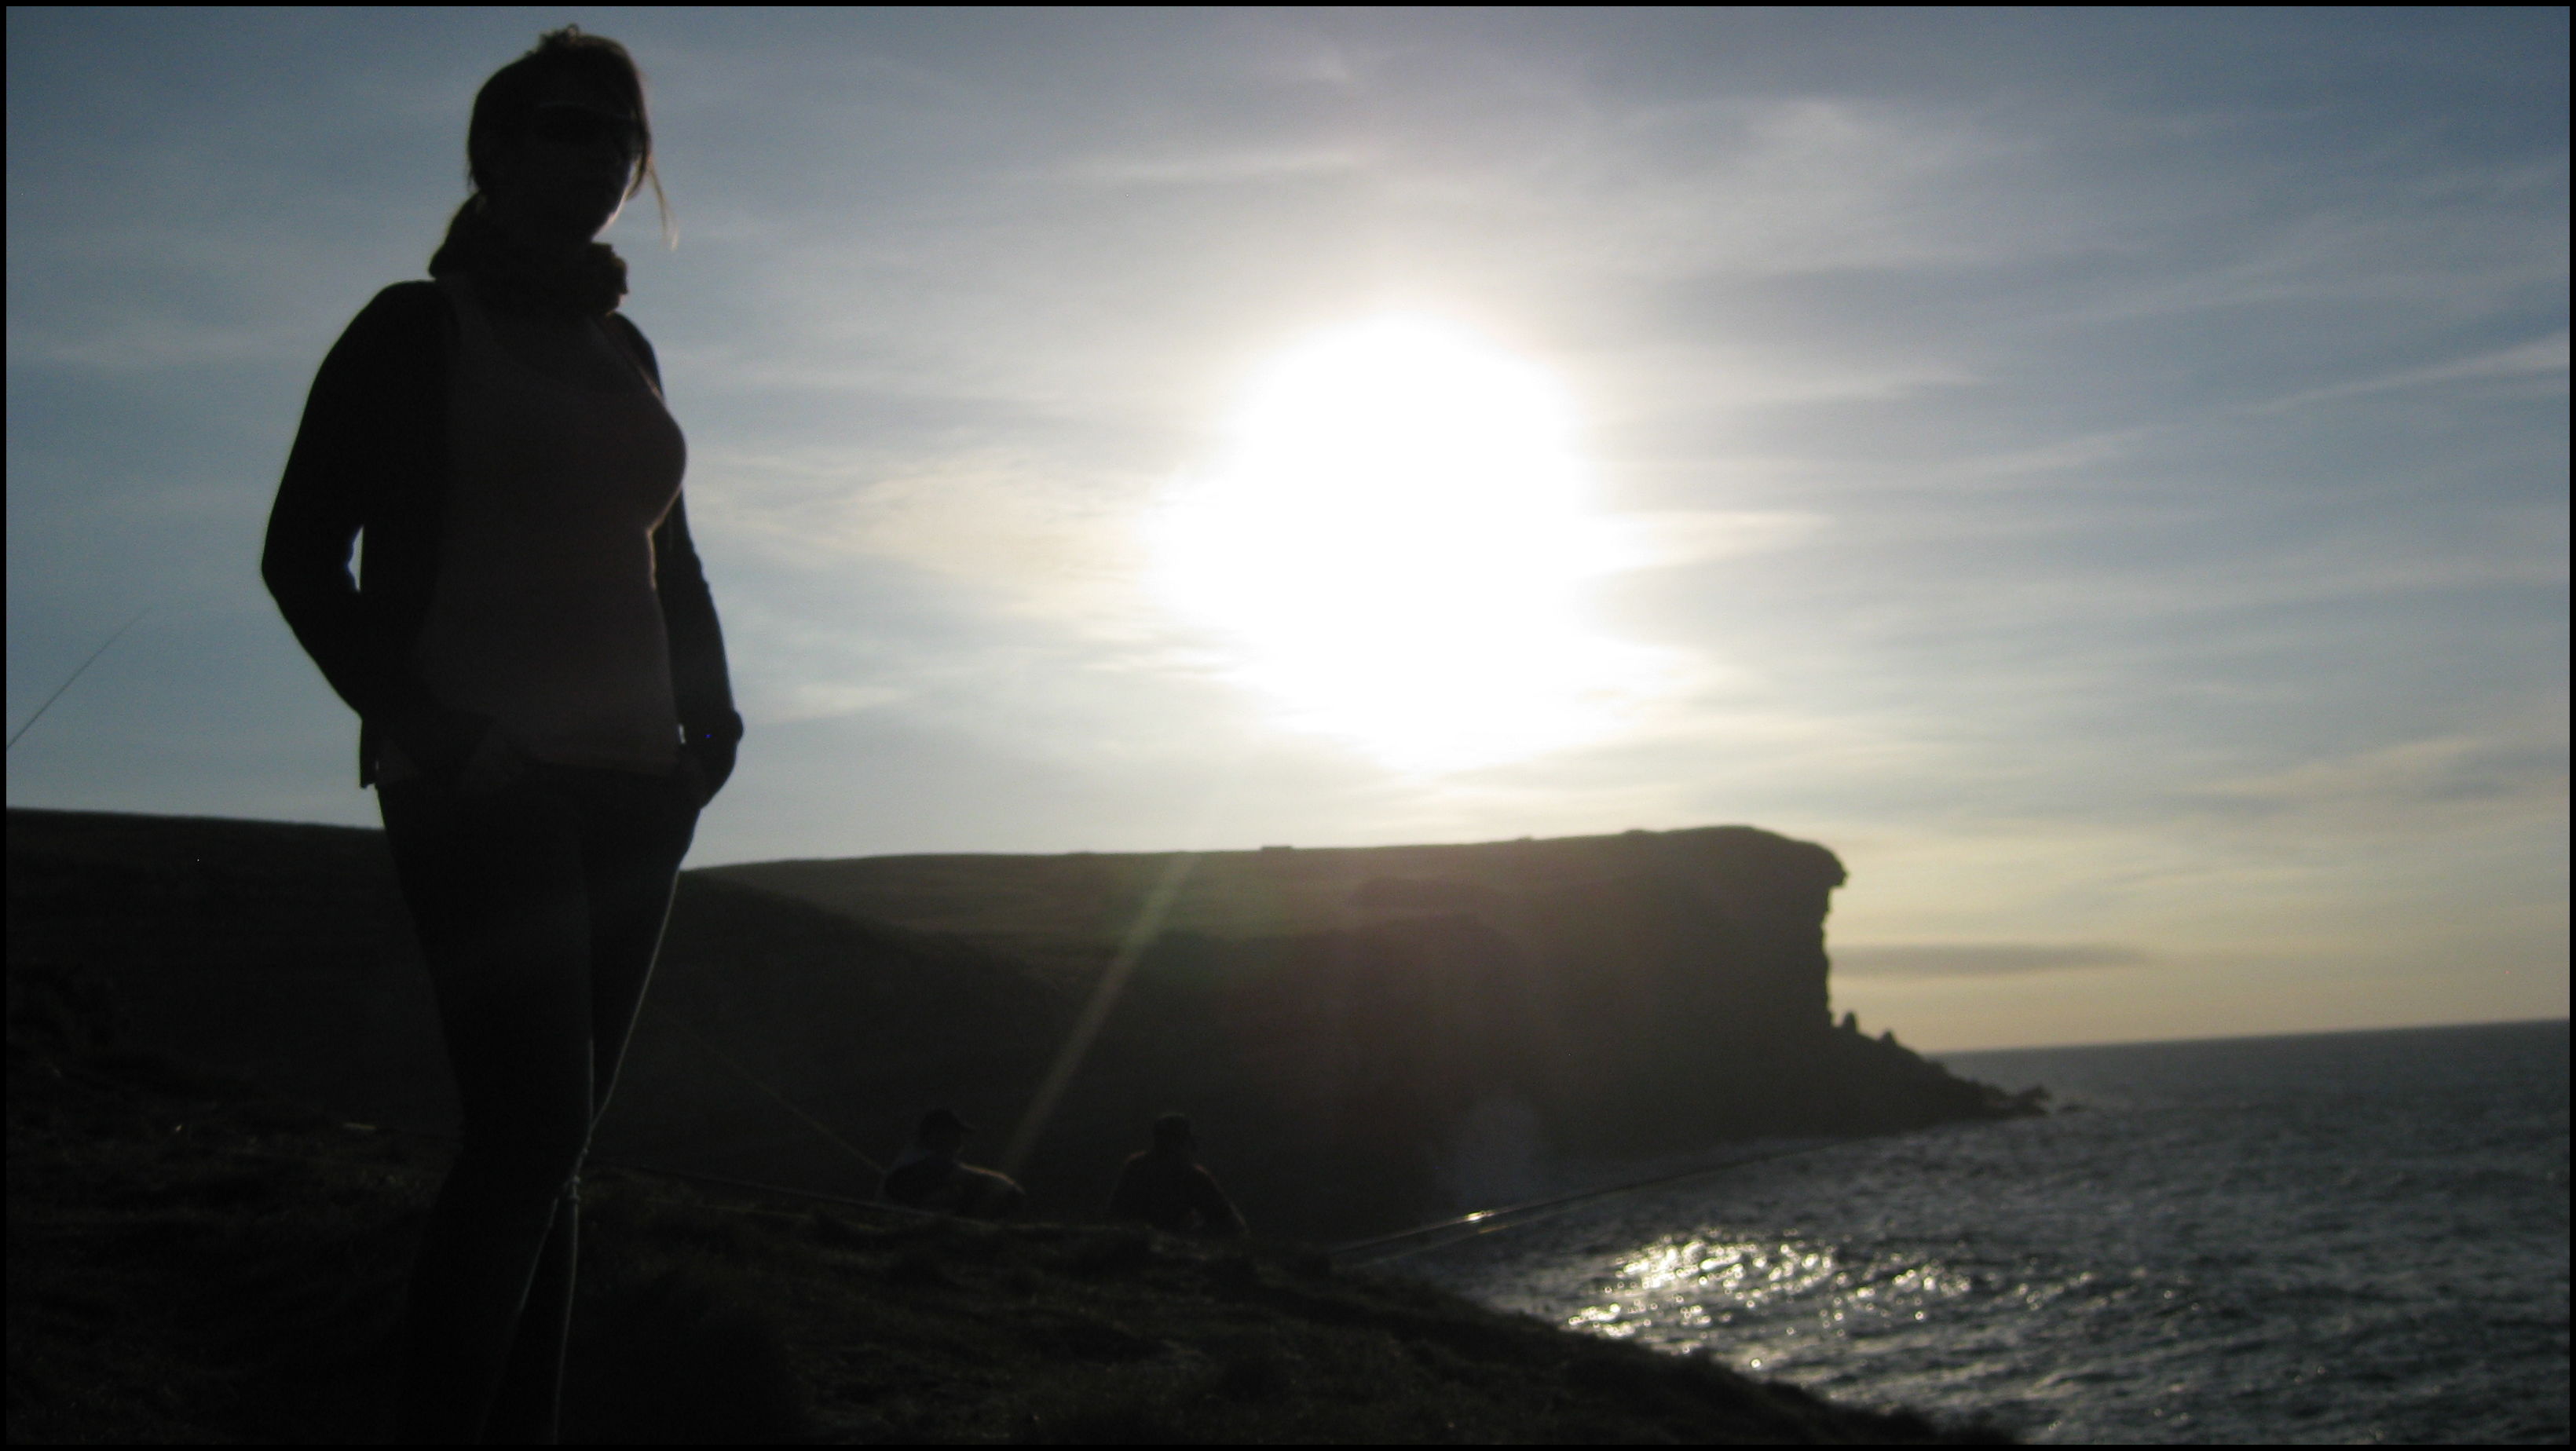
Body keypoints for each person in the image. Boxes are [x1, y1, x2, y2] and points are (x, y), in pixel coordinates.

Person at [261, 27, 740, 1444]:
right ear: (496, 147)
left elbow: (676, 561)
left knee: (557, 1151)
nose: (599, 156)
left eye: (620, 137)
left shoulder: (625, 344)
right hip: (486, 780)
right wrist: (430, 730)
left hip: (637, 787)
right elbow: (301, 558)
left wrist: (710, 730)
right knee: (529, 1132)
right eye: (569, 124)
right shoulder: (417, 326)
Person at [1110, 1113, 1246, 1237]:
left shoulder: (1136, 1168)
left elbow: (1114, 1215)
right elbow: (1234, 1225)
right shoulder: (1191, 1176)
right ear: (1183, 1144)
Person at [880, 1108, 1030, 1217]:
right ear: (935, 1135)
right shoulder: (924, 1163)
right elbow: (974, 1178)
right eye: (953, 1134)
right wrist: (1012, 1189)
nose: (959, 1141)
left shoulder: (910, 1159)